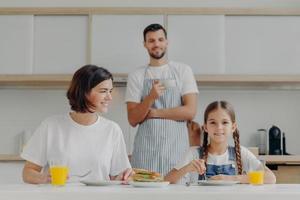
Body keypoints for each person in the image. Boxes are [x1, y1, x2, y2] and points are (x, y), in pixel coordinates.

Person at [21, 65, 132, 184]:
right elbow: (28, 172)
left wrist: (126, 176)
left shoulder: (112, 130)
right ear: (84, 92)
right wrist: (44, 178)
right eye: (103, 91)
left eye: (110, 91)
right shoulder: (51, 126)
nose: (109, 97)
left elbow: (118, 177)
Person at [125, 23, 198, 176]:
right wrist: (151, 97)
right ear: (145, 44)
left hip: (176, 151)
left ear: (166, 42)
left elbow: (190, 111)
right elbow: (132, 119)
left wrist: (155, 113)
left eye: (160, 39)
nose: (156, 44)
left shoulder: (183, 71)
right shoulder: (136, 75)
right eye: (151, 41)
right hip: (146, 152)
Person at [165, 101, 276, 184]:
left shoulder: (242, 153)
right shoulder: (193, 153)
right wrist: (186, 168)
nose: (219, 127)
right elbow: (167, 181)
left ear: (233, 127)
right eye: (213, 122)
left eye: (224, 122)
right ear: (205, 127)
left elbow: (271, 178)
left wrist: (234, 178)